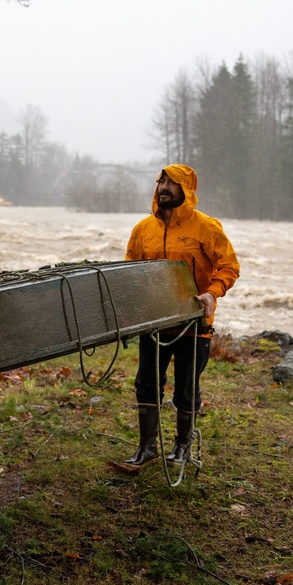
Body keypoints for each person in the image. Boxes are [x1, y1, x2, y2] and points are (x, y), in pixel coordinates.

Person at [120, 164, 239, 470]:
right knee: (146, 384)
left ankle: (182, 449)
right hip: (155, 323)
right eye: (161, 181)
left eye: (172, 183)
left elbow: (229, 266)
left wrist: (212, 293)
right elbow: (130, 270)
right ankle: (146, 448)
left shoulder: (206, 227)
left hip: (193, 324)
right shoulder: (143, 229)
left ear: (186, 190)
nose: (164, 187)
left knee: (186, 388)